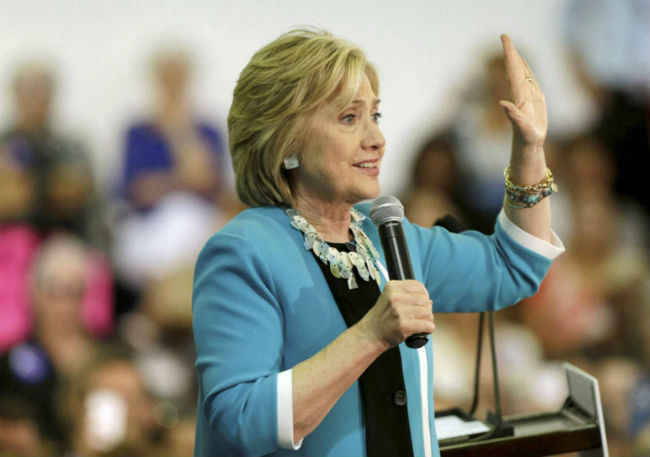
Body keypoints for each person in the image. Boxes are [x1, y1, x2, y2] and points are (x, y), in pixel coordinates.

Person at [192, 28, 564, 457]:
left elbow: (514, 265)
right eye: (350, 118)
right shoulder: (244, 252)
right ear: (286, 140)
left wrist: (530, 148)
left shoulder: (387, 235)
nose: (377, 139)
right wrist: (371, 334)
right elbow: (241, 419)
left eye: (375, 115)